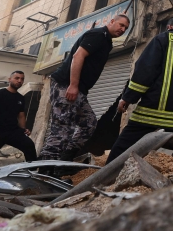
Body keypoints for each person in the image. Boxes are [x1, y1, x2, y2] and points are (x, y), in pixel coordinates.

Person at [106, 17, 173, 163]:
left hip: (152, 112)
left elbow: (145, 72)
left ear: (169, 27)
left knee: (123, 147)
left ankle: (103, 179)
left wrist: (128, 98)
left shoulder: (162, 39)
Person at [41, 14, 130, 160]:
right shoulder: (98, 35)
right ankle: (46, 168)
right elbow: (78, 56)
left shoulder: (107, 42)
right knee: (62, 127)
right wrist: (73, 85)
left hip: (79, 90)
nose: (123, 29)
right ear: (112, 21)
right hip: (66, 85)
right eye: (121, 25)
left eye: (125, 28)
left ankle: (63, 161)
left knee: (89, 123)